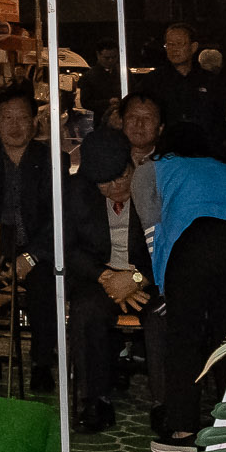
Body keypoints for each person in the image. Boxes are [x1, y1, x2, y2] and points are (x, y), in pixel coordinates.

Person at [0, 89, 107, 408]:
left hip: (38, 248)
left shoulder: (54, 160)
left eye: (22, 118)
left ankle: (41, 362)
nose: (15, 125)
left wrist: (30, 256)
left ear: (35, 122)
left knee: (44, 282)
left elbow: (60, 219)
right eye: (7, 118)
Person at [143, 123, 226, 452]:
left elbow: (151, 236)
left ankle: (183, 432)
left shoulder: (151, 169)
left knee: (184, 337)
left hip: (197, 238)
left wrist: (163, 290)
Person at [77, 126, 151, 435]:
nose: (114, 187)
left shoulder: (153, 189)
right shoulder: (77, 192)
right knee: (86, 310)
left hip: (147, 277)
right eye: (103, 183)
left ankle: (168, 404)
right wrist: (107, 278)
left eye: (121, 177)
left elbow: (168, 247)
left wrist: (136, 278)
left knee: (164, 315)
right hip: (102, 277)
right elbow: (68, 247)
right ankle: (96, 400)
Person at [137, 22, 221, 134]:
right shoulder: (153, 81)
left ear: (193, 47)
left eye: (179, 44)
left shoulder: (211, 81)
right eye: (170, 45)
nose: (174, 49)